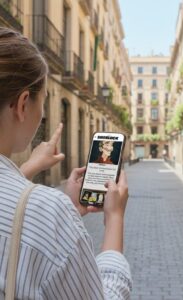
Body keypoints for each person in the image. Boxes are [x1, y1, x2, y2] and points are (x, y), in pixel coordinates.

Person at [0, 27, 131, 299]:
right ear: (23, 104)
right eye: (44, 100)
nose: (43, 111)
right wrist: (115, 217)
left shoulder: (43, 210)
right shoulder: (48, 211)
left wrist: (27, 172)